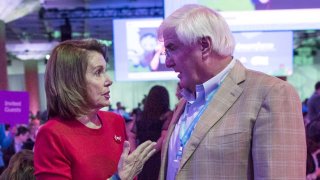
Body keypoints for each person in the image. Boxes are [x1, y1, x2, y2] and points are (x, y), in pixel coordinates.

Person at [157, 4, 306, 180]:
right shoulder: (185, 103)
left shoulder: (271, 93)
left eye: (172, 48)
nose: (167, 62)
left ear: (204, 46)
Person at [34, 39, 156, 180]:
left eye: (105, 70)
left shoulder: (115, 121)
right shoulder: (52, 134)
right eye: (98, 72)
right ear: (73, 81)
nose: (109, 80)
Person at [132, 85, 173, 180]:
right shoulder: (168, 115)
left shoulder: (140, 116)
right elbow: (163, 138)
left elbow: (132, 135)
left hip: (140, 156)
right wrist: (149, 153)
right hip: (156, 157)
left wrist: (137, 154)